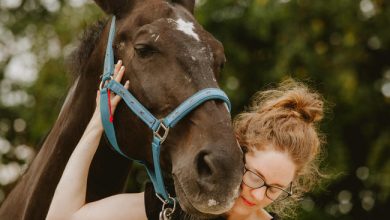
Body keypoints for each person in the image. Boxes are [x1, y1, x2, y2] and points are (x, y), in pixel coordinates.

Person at [46, 61, 325, 220]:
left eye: (276, 189)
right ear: (237, 151)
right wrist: (97, 123)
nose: (258, 195)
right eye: (254, 177)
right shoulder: (173, 208)